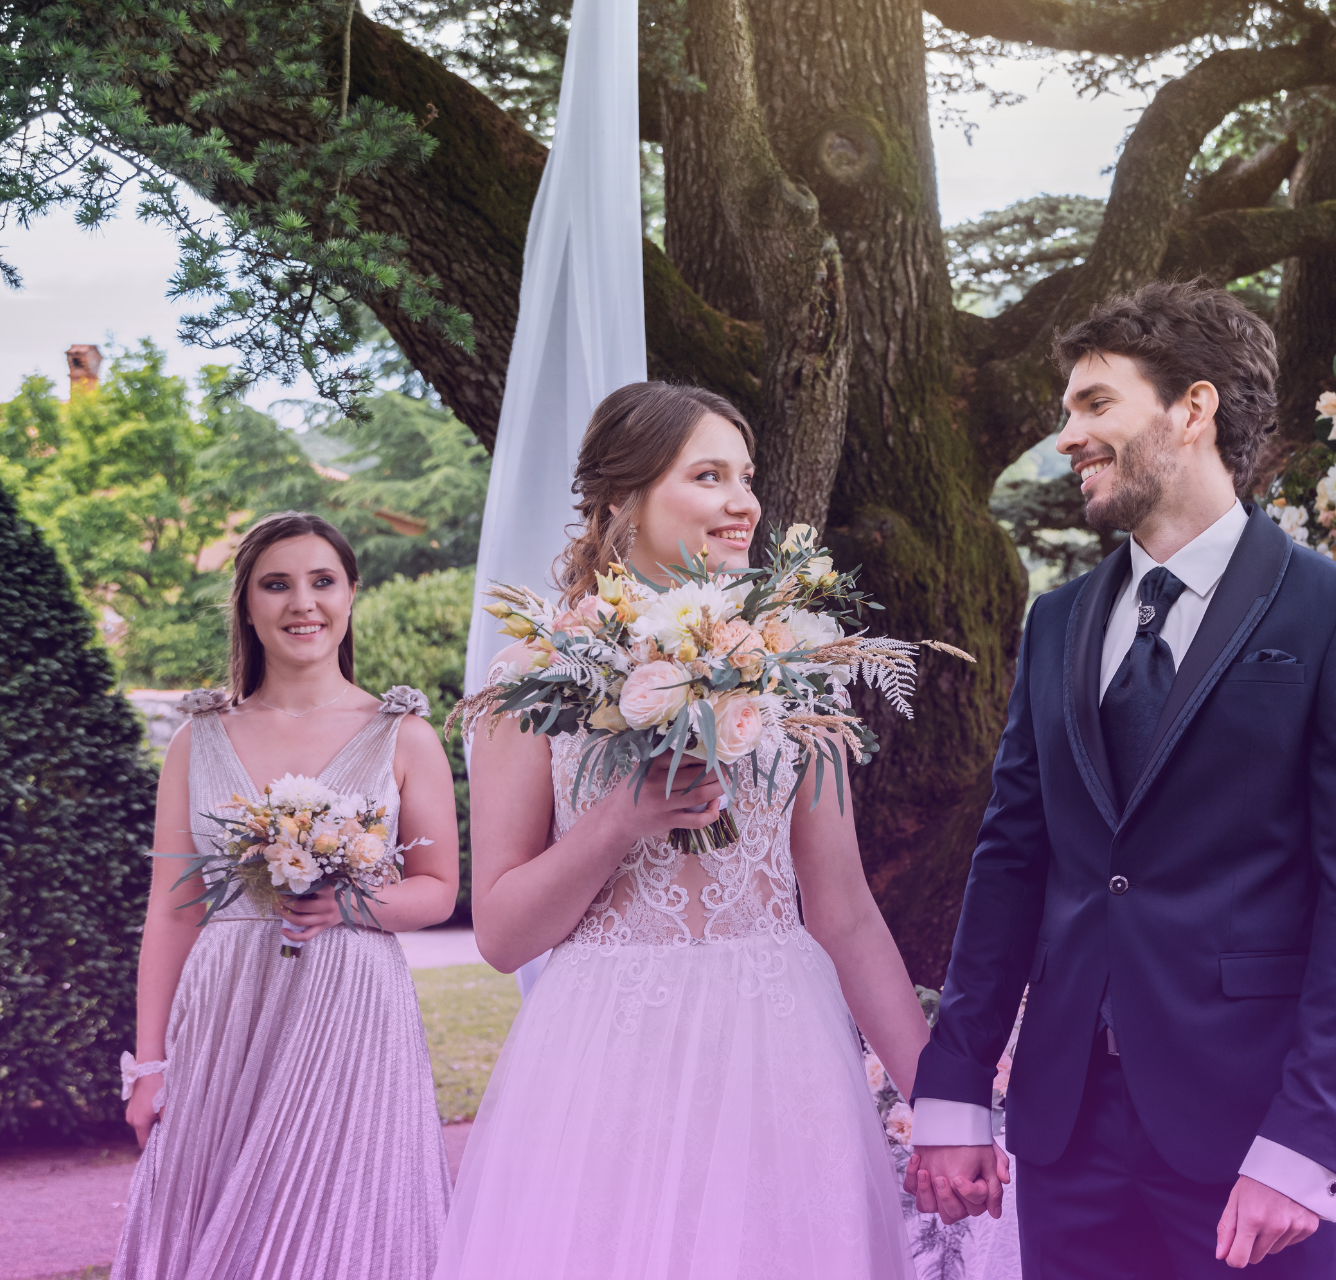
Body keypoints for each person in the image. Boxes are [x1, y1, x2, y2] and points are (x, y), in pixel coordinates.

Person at [909, 281, 1336, 1278]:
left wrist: (1307, 1138)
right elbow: (1013, 856)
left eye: (1095, 402)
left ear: (1193, 408)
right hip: (1064, 1128)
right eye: (1069, 410)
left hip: (1248, 1134)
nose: (1068, 436)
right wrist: (956, 1086)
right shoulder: (1056, 621)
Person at [435, 382, 930, 1279]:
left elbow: (845, 910)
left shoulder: (795, 667)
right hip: (609, 1055)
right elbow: (504, 936)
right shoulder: (534, 676)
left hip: (779, 1047)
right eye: (709, 475)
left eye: (746, 477)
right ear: (621, 497)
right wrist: (618, 821)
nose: (743, 502)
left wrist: (940, 1104)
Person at [116, 512, 461, 1279]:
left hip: (349, 1004)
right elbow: (172, 911)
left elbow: (438, 892)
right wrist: (149, 1065)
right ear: (247, 605)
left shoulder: (402, 733)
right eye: (277, 584)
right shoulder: (196, 739)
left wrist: (350, 905)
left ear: (350, 597)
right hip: (226, 1005)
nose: (302, 603)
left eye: (322, 581)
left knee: (342, 1221)